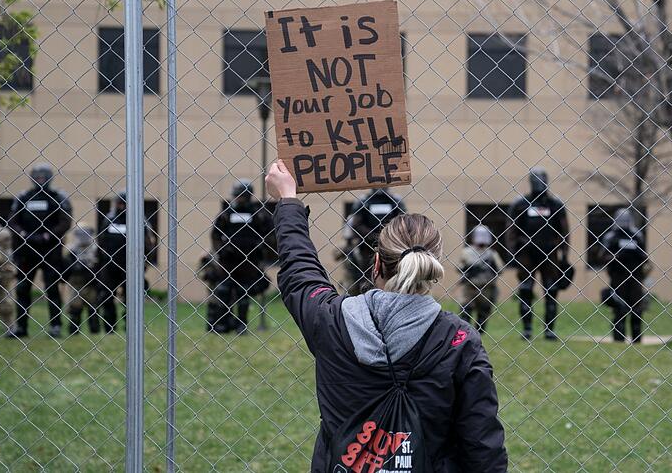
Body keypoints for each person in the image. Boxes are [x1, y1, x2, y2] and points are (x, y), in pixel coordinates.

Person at [266, 159, 507, 472]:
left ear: (376, 264)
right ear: (431, 270)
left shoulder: (331, 321)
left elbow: (301, 271)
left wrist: (288, 202)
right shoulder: (459, 341)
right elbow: (482, 448)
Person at [9, 163, 72, 338]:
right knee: (22, 288)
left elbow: (65, 222)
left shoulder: (58, 197)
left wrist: (47, 236)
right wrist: (24, 235)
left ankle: (56, 326)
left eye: (43, 177)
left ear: (50, 178)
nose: (40, 180)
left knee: (52, 288)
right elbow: (12, 221)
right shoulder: (23, 197)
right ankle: (21, 327)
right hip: (26, 250)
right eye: (37, 177)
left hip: (50, 250)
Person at [506, 167, 570, 341]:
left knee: (551, 290)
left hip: (550, 252)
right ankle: (527, 329)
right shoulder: (521, 204)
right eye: (536, 180)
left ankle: (549, 330)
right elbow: (511, 231)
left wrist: (564, 256)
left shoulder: (555, 204)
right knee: (526, 290)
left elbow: (564, 231)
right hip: (527, 252)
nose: (539, 184)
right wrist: (513, 254)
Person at [211, 179, 270, 334]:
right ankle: (223, 323)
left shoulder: (257, 213)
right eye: (236, 196)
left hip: (249, 262)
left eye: (240, 196)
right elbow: (216, 234)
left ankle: (241, 324)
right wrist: (221, 251)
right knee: (223, 291)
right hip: (228, 262)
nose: (237, 199)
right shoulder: (226, 213)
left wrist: (260, 249)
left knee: (243, 292)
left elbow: (268, 234)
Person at [96, 191, 155, 333]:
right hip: (110, 266)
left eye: (124, 204)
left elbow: (148, 243)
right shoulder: (109, 219)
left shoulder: (139, 220)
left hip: (132, 267)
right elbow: (101, 241)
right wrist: (101, 260)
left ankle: (131, 326)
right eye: (119, 203)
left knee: (132, 299)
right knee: (107, 296)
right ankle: (109, 327)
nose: (121, 207)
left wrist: (145, 262)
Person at [598, 208, 649, 343]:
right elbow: (602, 256)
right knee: (620, 309)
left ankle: (637, 340)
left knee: (637, 310)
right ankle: (618, 340)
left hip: (635, 278)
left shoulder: (637, 235)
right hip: (618, 278)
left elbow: (645, 256)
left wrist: (636, 255)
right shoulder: (611, 237)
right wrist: (616, 256)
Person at [348, 188, 407, 294]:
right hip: (366, 247)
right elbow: (355, 224)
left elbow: (403, 222)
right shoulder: (364, 201)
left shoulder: (395, 201)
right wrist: (375, 236)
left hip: (390, 246)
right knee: (361, 272)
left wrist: (386, 235)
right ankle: (360, 291)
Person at [459, 225, 505, 332]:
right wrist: (469, 269)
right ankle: (465, 330)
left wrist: (489, 268)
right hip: (470, 286)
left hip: (486, 286)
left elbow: (500, 269)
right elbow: (460, 267)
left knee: (484, 311)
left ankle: (479, 331)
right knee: (466, 309)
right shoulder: (467, 252)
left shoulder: (491, 254)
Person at [64, 222, 99, 335]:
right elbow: (67, 266)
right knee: (75, 308)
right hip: (76, 283)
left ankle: (94, 331)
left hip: (91, 284)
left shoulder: (95, 248)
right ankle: (74, 331)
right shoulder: (71, 249)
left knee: (93, 309)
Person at [198, 251, 229, 332]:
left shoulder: (226, 252)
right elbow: (201, 272)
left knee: (225, 305)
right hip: (214, 284)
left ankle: (224, 325)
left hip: (225, 282)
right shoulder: (209, 255)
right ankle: (211, 326)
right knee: (213, 304)